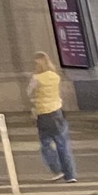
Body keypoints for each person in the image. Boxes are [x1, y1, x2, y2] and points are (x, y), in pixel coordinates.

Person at [28, 52, 76, 182]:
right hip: (57, 111)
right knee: (62, 144)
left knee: (46, 144)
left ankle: (56, 169)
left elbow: (29, 92)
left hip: (43, 114)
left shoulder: (36, 78)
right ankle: (70, 175)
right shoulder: (55, 76)